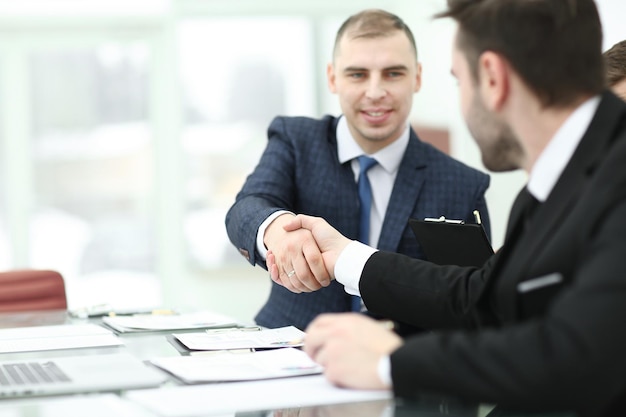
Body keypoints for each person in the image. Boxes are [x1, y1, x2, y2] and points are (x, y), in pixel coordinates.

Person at [267, 0, 626, 415]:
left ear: (492, 78)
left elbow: (577, 356)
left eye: (458, 81)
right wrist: (345, 256)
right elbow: (481, 298)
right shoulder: (551, 187)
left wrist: (390, 362)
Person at [225, 9, 491, 331]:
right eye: (357, 74)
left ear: (417, 77)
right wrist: (276, 230)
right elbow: (246, 208)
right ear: (333, 77)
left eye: (393, 73)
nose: (376, 92)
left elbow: (473, 299)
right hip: (291, 347)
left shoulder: (463, 185)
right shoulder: (296, 141)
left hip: (396, 363)